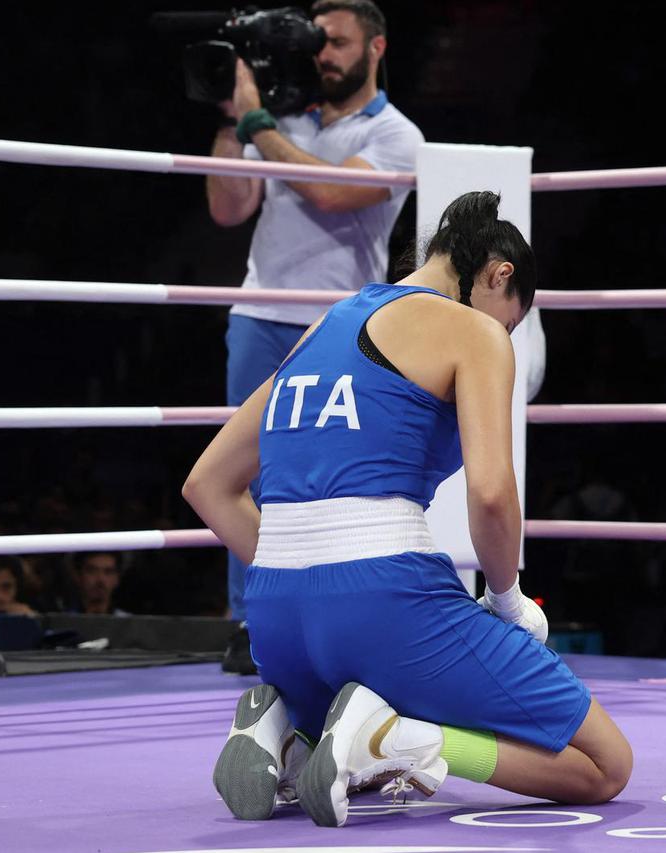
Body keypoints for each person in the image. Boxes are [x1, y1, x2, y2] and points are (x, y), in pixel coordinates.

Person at [183, 191, 632, 827]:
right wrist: (508, 600)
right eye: (510, 322)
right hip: (385, 602)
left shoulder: (321, 328)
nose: (503, 334)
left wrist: (306, 571)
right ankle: (403, 739)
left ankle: (288, 732)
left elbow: (206, 484)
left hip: (276, 625)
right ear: (500, 275)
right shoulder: (473, 330)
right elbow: (492, 494)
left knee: (349, 753)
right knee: (602, 766)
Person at [206, 0, 424, 623]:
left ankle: (334, 616)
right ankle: (251, 621)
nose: (323, 55)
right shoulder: (285, 124)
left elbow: (333, 192)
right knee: (244, 475)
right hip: (258, 312)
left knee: (335, 477)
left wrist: (257, 122)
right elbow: (228, 208)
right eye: (316, 42)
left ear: (375, 48)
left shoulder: (395, 134)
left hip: (342, 329)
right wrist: (230, 121)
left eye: (337, 42)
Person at [69, 551, 130, 616]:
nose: (100, 580)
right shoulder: (63, 622)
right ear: (77, 576)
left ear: (117, 579)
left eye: (108, 572)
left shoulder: (130, 623)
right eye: (92, 571)